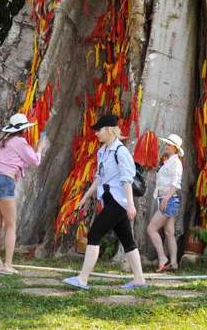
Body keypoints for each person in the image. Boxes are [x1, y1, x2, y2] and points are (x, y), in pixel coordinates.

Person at [63, 114, 147, 291]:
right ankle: (139, 280)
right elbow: (98, 179)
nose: (96, 134)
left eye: (99, 130)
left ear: (109, 130)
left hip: (119, 202)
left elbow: (127, 180)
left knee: (94, 234)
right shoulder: (102, 151)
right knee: (127, 240)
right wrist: (84, 199)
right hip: (109, 201)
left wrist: (130, 204)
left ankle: (82, 279)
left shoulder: (121, 152)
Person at [0, 112, 46, 274]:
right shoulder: (20, 142)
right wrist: (40, 148)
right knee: (11, 225)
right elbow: (34, 161)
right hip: (5, 182)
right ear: (24, 130)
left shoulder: (4, 141)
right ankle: (8, 265)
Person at [146, 133, 184, 273]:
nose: (166, 146)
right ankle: (173, 263)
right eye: (166, 144)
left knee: (151, 229)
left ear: (175, 148)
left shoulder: (176, 163)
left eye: (169, 144)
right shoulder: (168, 161)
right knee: (169, 232)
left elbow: (175, 184)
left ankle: (162, 258)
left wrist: (165, 199)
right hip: (166, 199)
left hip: (169, 200)